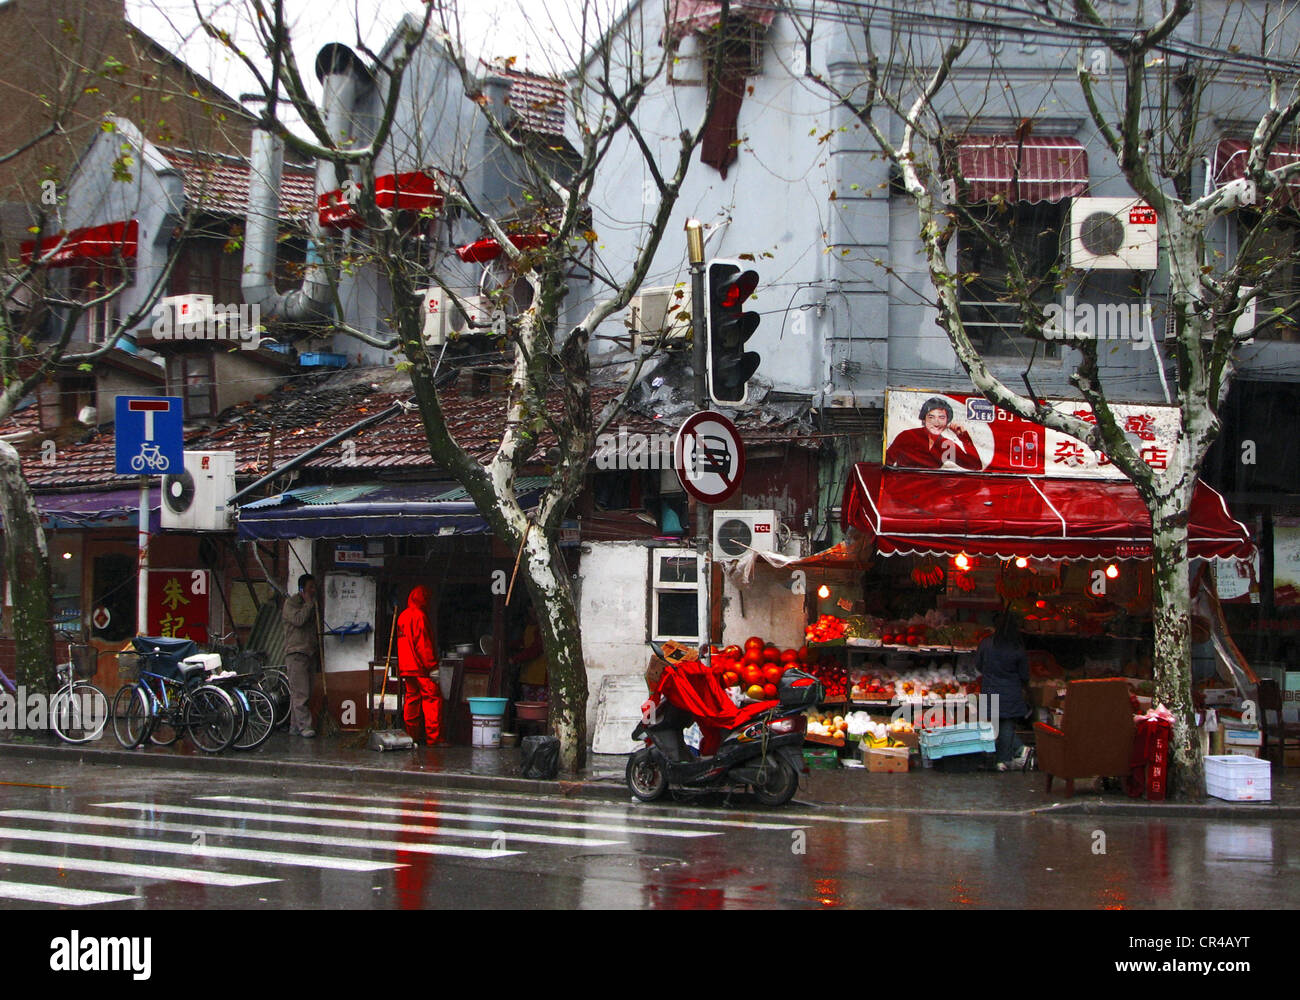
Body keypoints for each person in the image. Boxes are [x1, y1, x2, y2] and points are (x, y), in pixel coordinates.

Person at [975, 611, 1031, 770]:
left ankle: (1004, 758)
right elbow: (1024, 674)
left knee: (994, 725)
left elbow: (978, 664)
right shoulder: (1017, 648)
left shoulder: (986, 643)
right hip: (1011, 691)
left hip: (990, 689)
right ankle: (1014, 752)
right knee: (1006, 725)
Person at [397, 584, 443, 745]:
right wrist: (432, 666)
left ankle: (411, 737)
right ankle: (433, 738)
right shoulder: (419, 616)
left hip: (407, 668)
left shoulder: (402, 616)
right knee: (431, 701)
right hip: (421, 668)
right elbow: (423, 645)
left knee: (411, 701)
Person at [885, 396, 984, 470]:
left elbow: (975, 466)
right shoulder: (907, 436)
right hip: (903, 489)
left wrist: (964, 437)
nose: (936, 423)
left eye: (941, 418)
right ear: (923, 419)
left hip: (931, 491)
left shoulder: (946, 445)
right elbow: (887, 462)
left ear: (947, 421)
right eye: (931, 417)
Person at [281, 573, 319, 738]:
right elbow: (299, 620)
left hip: (309, 653)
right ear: (302, 589)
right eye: (311, 587)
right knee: (301, 693)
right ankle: (305, 726)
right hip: (296, 653)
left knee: (305, 692)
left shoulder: (310, 605)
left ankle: (295, 726)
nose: (314, 590)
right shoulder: (291, 604)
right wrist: (309, 604)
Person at [511, 604, 548, 702]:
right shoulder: (529, 627)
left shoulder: (543, 629)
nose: (533, 616)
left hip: (541, 677)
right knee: (527, 706)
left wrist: (515, 659)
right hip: (528, 676)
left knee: (539, 708)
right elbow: (522, 643)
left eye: (535, 613)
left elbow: (536, 649)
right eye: (531, 613)